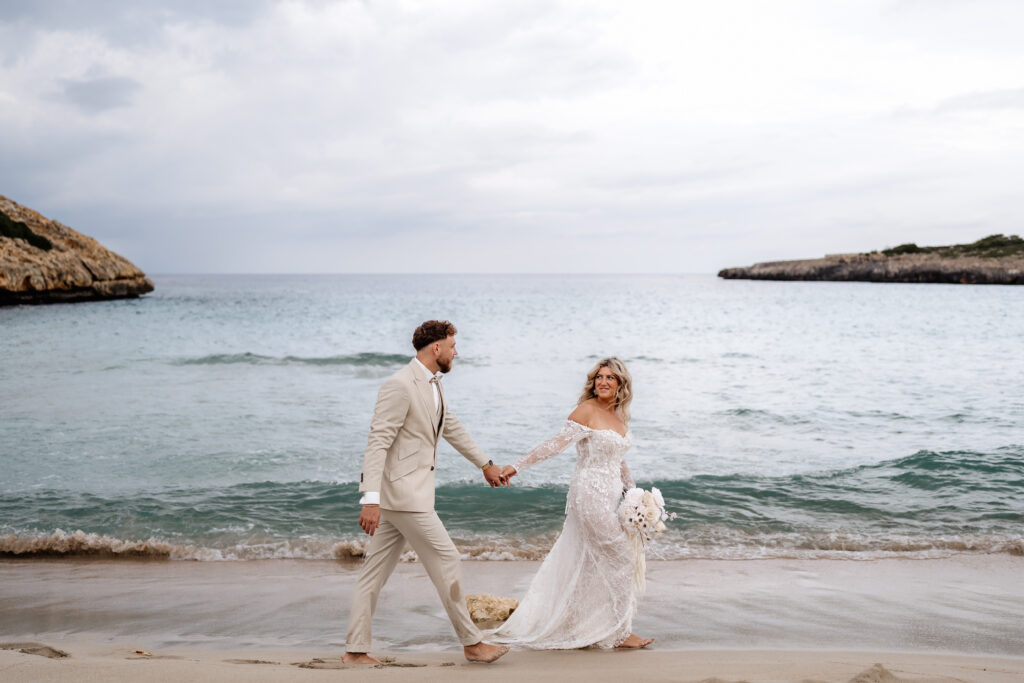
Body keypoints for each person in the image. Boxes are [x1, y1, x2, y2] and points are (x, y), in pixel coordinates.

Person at [343, 320, 511, 665]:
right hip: (405, 496)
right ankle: (472, 643)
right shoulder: (400, 385)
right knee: (447, 558)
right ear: (436, 348)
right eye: (452, 346)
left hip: (403, 495)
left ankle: (355, 651)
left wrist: (485, 465)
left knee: (372, 574)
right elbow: (377, 443)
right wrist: (370, 499)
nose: (456, 352)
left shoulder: (433, 384)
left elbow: (450, 426)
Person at [494, 357, 653, 649]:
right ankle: (619, 634)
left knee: (589, 564)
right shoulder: (586, 411)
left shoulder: (618, 416)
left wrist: (636, 495)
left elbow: (619, 461)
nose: (603, 382)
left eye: (610, 378)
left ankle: (578, 626)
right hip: (589, 494)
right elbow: (553, 445)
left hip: (610, 497)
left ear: (621, 384)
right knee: (622, 558)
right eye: (599, 377)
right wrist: (515, 466)